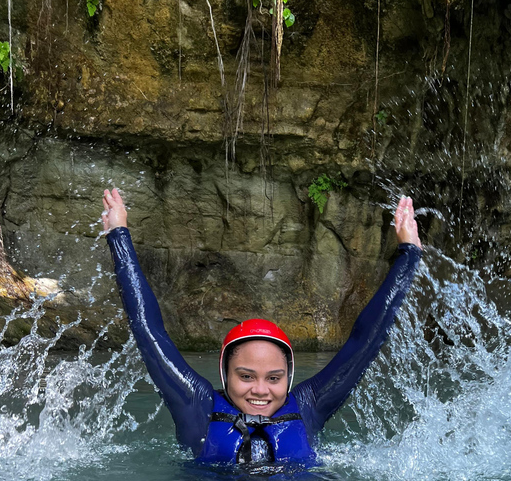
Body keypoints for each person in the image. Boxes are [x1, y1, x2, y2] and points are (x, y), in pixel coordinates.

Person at [102, 188, 422, 465]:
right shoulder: (196, 405)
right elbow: (148, 330)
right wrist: (119, 236)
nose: (260, 390)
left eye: (274, 378)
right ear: (225, 373)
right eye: (245, 376)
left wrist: (409, 254)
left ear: (289, 376)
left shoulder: (309, 405)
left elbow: (365, 342)